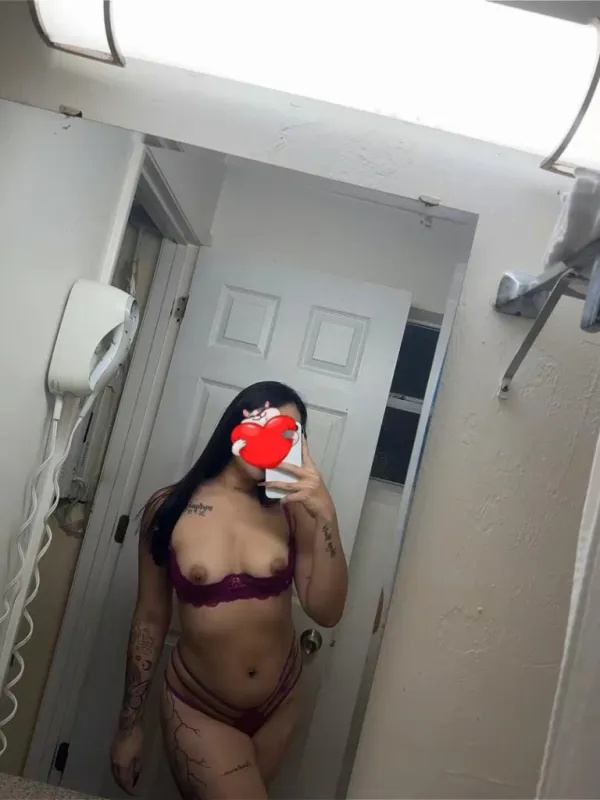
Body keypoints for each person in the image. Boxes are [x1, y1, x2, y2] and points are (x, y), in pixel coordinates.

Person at [110, 381, 348, 799]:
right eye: (267, 425)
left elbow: (326, 612)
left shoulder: (293, 510)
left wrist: (325, 512)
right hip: (199, 706)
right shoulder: (169, 509)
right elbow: (149, 618)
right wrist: (129, 727)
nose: (274, 442)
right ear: (239, 425)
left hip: (281, 701)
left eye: (288, 435)